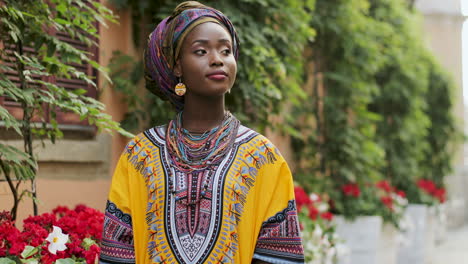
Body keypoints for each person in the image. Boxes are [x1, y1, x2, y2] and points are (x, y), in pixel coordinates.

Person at [99, 1, 304, 263]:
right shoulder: (140, 155)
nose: (217, 59)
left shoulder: (263, 157)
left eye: (225, 50)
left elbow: (279, 256)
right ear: (176, 66)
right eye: (201, 51)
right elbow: (117, 252)